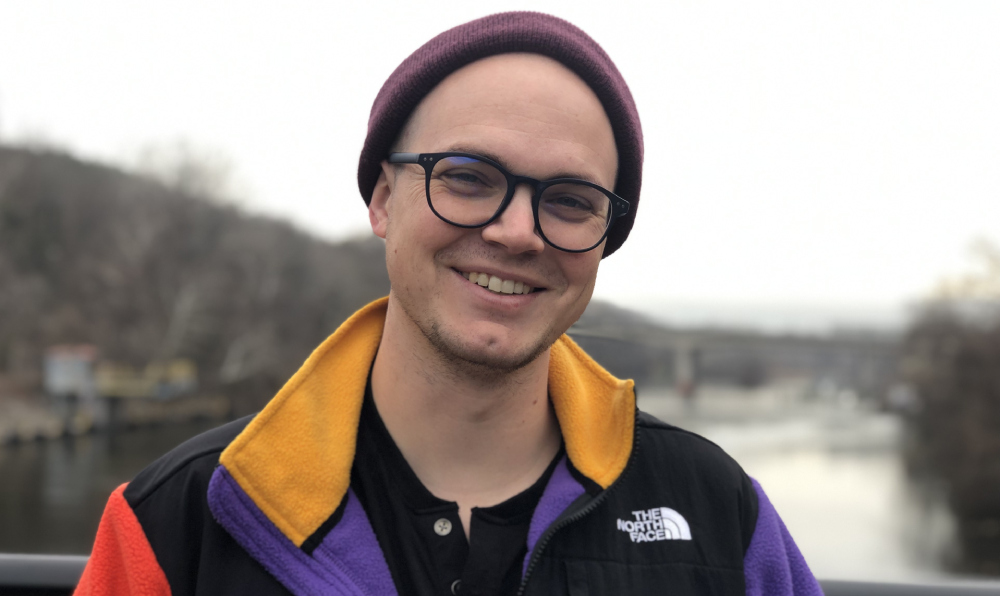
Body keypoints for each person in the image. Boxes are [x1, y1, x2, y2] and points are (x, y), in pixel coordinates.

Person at [75, 12, 822, 596]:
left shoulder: (719, 514)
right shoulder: (181, 521)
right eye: (467, 177)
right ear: (382, 198)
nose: (517, 231)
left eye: (569, 199)